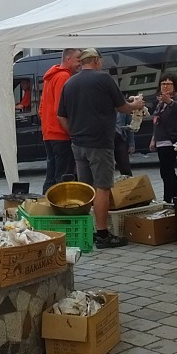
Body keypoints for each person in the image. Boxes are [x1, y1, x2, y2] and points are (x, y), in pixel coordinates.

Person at [57, 48, 145, 249]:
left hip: (78, 143)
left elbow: (60, 116)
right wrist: (136, 104)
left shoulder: (69, 83)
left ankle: (85, 231)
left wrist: (74, 133)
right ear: (96, 60)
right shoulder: (104, 80)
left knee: (85, 189)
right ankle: (103, 234)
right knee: (102, 187)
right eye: (100, 60)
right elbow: (122, 107)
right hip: (100, 142)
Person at [39, 48, 82, 193]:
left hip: (49, 133)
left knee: (52, 174)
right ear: (68, 59)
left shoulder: (50, 77)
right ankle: (60, 207)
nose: (80, 63)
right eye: (78, 59)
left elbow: (42, 108)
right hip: (61, 134)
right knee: (63, 176)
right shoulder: (63, 77)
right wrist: (72, 131)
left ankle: (45, 205)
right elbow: (62, 109)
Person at [149, 72, 177, 203]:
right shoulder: (160, 102)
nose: (165, 86)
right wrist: (154, 139)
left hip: (170, 141)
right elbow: (157, 121)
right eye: (163, 83)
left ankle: (172, 198)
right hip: (161, 140)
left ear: (175, 86)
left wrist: (169, 101)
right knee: (165, 172)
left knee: (167, 171)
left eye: (169, 84)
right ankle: (171, 198)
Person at [113, 112, 134, 178]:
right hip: (105, 140)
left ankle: (129, 186)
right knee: (106, 169)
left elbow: (130, 126)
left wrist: (131, 144)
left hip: (120, 139)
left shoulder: (122, 107)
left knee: (125, 166)